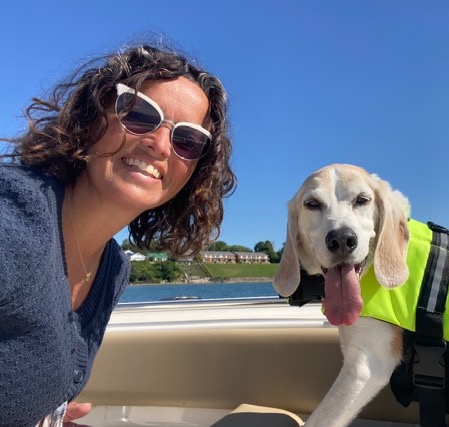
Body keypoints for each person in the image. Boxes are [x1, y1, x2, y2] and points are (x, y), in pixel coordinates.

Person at [0, 42, 236, 427]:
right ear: (93, 116)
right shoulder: (13, 218)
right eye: (139, 114)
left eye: (188, 140)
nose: (160, 145)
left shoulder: (112, 268)